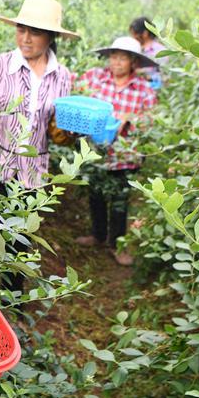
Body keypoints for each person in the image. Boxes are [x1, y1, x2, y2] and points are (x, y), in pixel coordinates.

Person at [0, 0, 79, 197]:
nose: (25, 39)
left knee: (21, 227)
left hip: (32, 176)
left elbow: (57, 128)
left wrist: (70, 132)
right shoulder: (0, 66)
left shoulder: (62, 75)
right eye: (21, 30)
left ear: (50, 36)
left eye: (35, 32)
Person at [74, 36, 157, 266]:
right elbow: (76, 90)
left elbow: (150, 120)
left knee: (120, 203)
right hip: (96, 151)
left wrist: (129, 119)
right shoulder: (96, 78)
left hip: (125, 156)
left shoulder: (143, 89)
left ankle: (117, 245)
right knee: (96, 195)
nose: (116, 62)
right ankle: (98, 235)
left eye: (122, 58)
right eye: (113, 57)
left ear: (133, 62)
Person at [129, 16, 166, 88]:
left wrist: (144, 73)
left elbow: (164, 73)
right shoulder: (134, 48)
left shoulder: (160, 50)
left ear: (145, 34)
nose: (133, 37)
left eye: (135, 34)